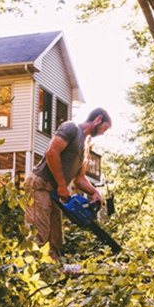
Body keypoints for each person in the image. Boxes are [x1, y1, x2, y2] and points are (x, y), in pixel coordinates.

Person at [23, 107, 112, 261]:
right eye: (104, 128)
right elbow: (52, 153)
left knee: (55, 240)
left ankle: (53, 276)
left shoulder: (85, 146)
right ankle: (27, 276)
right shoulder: (71, 128)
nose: (103, 133)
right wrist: (63, 186)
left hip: (55, 191)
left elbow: (80, 178)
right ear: (98, 119)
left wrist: (94, 193)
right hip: (40, 185)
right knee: (38, 235)